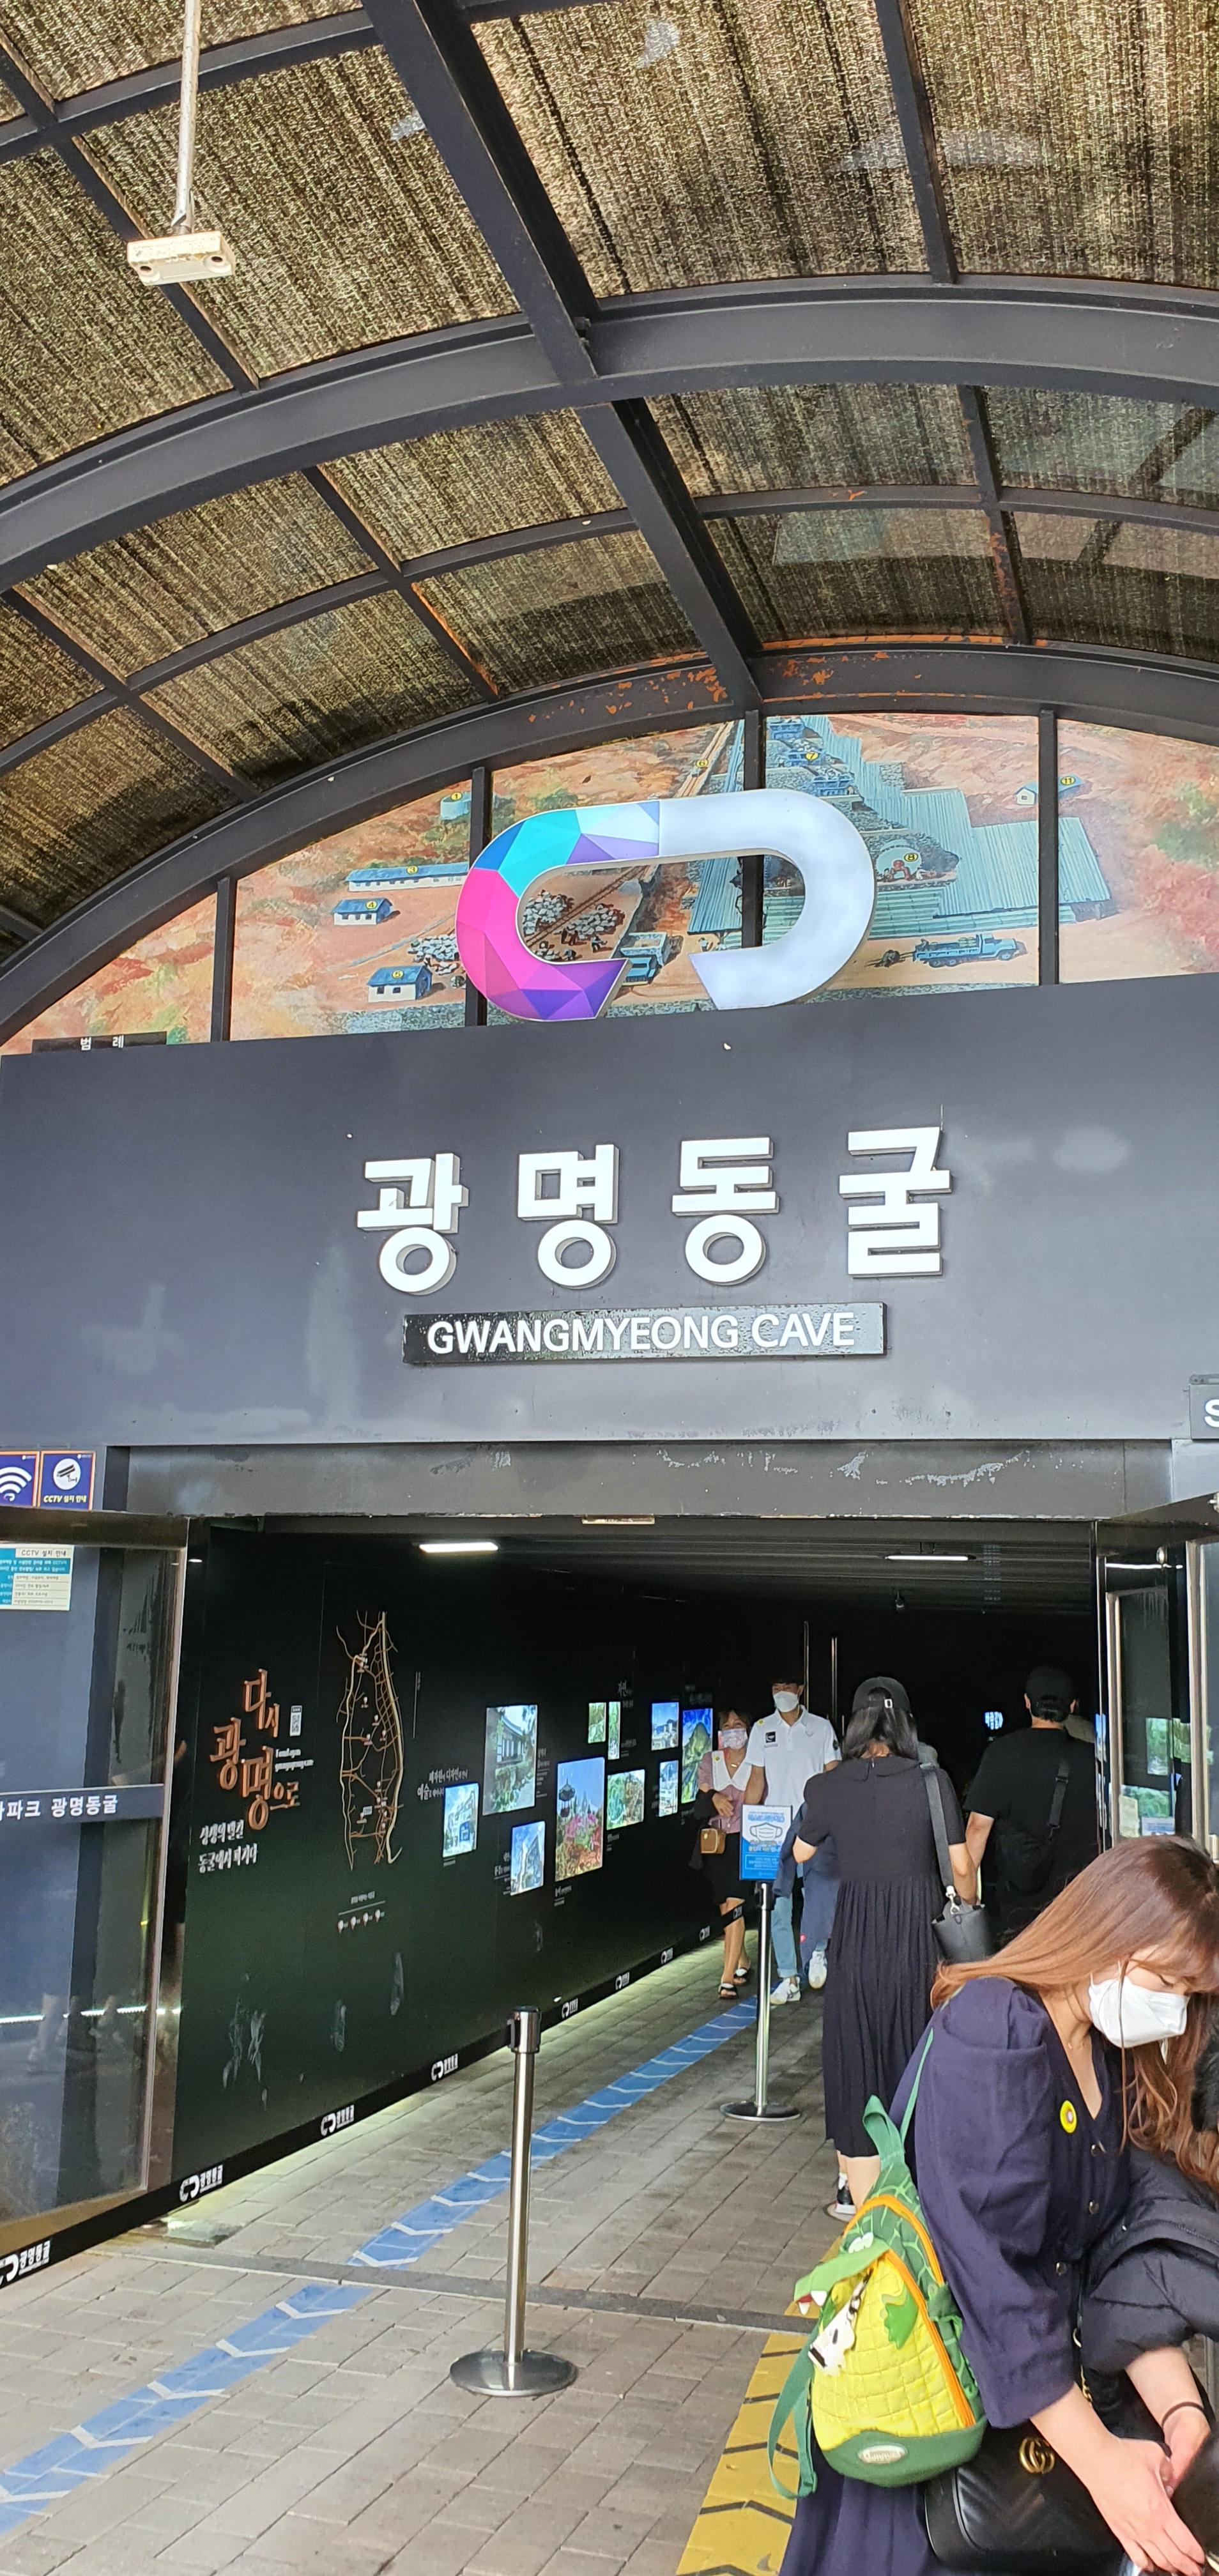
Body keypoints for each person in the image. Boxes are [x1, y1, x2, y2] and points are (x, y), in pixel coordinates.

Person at [779, 1837, 1219, 2576]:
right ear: (1106, 1932)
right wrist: (1106, 2468)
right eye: (1168, 1981)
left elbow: (1122, 2250)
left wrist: (1182, 2417)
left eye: (1191, 1992)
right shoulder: (995, 2030)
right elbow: (994, 2282)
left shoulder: (1109, 2053)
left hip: (1037, 2435)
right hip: (939, 2433)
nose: (1174, 2012)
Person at [790, 1683, 972, 2218]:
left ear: (854, 1725)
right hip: (917, 1944)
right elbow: (962, 1867)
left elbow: (801, 1851)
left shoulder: (829, 1787)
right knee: (915, 2061)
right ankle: (920, 2208)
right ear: (905, 1725)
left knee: (857, 2065)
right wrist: (967, 1902)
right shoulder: (932, 1782)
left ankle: (867, 2214)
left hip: (856, 1944)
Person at [966, 1662, 1100, 1943]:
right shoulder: (1093, 1760)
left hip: (1017, 1907)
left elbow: (978, 1828)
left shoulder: (1001, 1753)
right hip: (1079, 1905)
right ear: (1072, 1706)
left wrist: (967, 1897)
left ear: (1027, 1703)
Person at [746, 1677, 838, 2005]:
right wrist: (746, 1824)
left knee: (818, 1897)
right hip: (774, 1828)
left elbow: (833, 1775)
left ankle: (817, 1953)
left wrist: (834, 1821)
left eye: (787, 1687)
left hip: (814, 1824)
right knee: (777, 1905)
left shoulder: (821, 1727)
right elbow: (756, 1780)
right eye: (775, 1688)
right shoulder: (761, 1729)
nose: (781, 1693)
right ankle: (788, 1977)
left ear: (800, 1690)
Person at [691, 1711, 762, 1999]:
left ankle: (727, 1977)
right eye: (727, 1726)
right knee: (726, 1908)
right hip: (717, 1843)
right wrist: (714, 1797)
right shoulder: (712, 1761)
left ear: (748, 1729)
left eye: (738, 1725)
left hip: (746, 1839)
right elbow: (702, 1797)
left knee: (735, 1905)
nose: (733, 1731)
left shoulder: (757, 1761)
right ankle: (742, 1960)